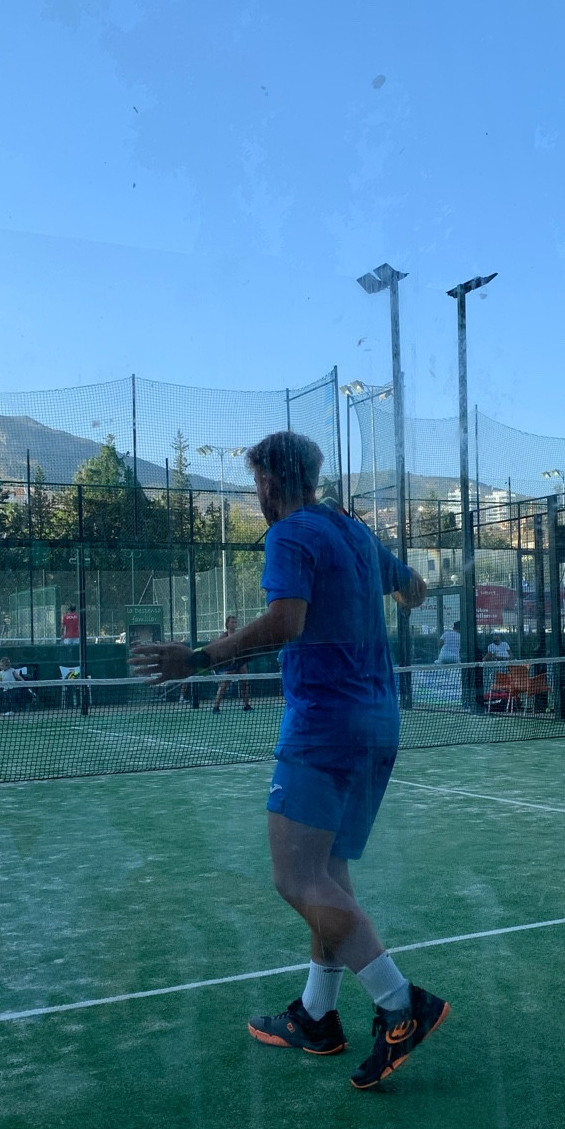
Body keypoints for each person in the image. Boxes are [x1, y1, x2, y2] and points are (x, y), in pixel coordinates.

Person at [131, 429, 448, 1091]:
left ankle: (400, 1004)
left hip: (324, 728)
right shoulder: (352, 531)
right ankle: (316, 1015)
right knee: (327, 874)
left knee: (297, 878)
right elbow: (415, 589)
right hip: (378, 725)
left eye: (256, 481)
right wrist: (385, 589)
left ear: (270, 481)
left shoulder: (291, 534)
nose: (257, 493)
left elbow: (286, 622)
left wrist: (198, 659)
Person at [211, 615, 253, 713]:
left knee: (245, 684)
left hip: (240, 662)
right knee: (224, 685)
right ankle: (216, 707)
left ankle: (247, 705)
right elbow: (219, 650)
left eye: (235, 622)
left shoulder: (239, 634)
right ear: (227, 624)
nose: (234, 624)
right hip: (229, 664)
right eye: (232, 622)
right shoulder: (223, 636)